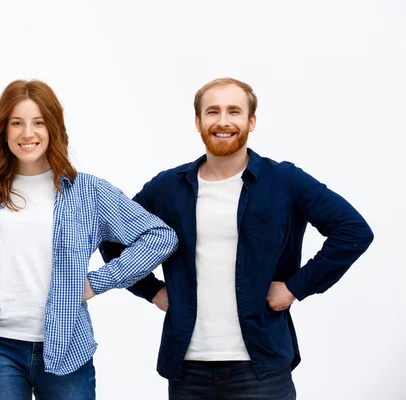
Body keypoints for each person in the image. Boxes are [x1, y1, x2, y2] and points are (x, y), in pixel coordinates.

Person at [0, 80, 178, 400]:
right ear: (4, 130)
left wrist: (98, 282)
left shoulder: (88, 192)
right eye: (17, 123)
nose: (28, 133)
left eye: (38, 122)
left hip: (67, 350)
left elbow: (158, 237)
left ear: (53, 127)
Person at [100, 77, 374, 399]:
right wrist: (152, 290)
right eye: (213, 112)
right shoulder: (167, 188)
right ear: (199, 122)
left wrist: (294, 287)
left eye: (234, 111)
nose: (224, 121)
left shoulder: (284, 181)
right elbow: (112, 236)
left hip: (262, 367)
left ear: (251, 121)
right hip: (189, 368)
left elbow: (353, 230)